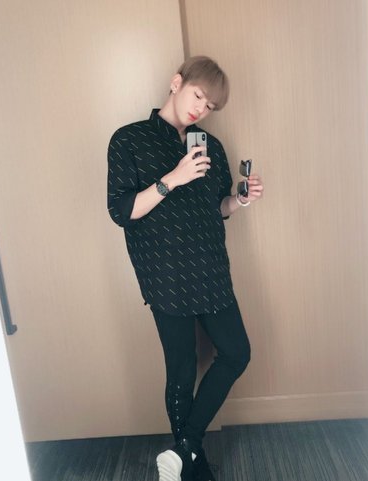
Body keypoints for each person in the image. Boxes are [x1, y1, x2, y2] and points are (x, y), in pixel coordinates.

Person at [107, 56, 263, 481]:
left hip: (211, 269)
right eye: (198, 96)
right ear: (177, 83)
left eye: (210, 106)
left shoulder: (212, 146)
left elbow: (218, 207)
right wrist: (173, 177)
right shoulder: (128, 139)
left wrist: (240, 199)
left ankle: (184, 452)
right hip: (166, 275)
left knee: (237, 352)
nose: (201, 109)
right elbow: (122, 211)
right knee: (181, 368)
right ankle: (194, 468)